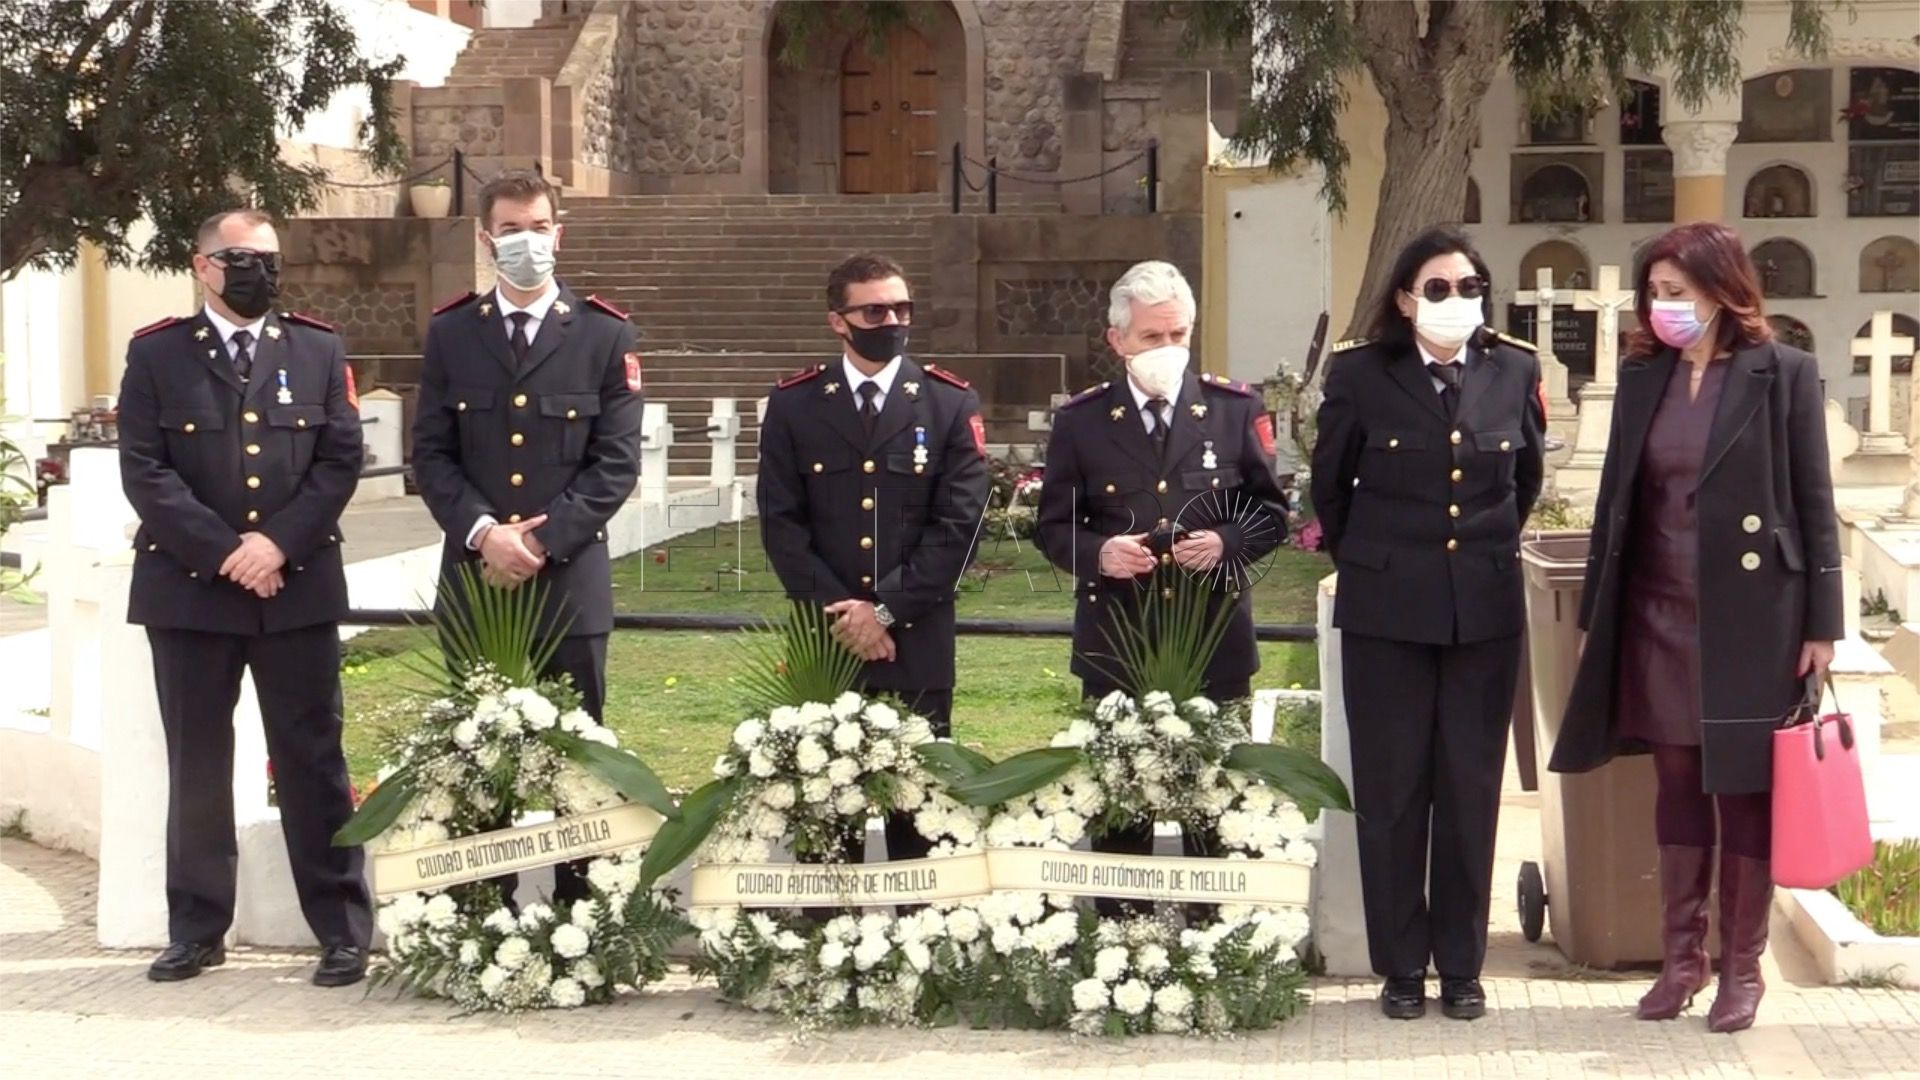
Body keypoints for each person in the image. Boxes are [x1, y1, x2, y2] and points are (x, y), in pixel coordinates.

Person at [1550, 222, 1841, 1034]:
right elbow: (1616, 504)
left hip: (1753, 616)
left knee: (1742, 791)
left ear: (1721, 289)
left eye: (1676, 291)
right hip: (1656, 611)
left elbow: (1814, 504)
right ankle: (1682, 962)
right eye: (1655, 292)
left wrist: (1823, 623)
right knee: (1677, 782)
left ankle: (1741, 971)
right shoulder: (1644, 375)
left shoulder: (1781, 373)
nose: (1662, 306)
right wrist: (1598, 616)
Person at [118, 208, 370, 985]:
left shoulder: (318, 348)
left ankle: (341, 929)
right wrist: (229, 552)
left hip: (295, 588)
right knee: (198, 763)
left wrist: (275, 545)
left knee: (313, 759)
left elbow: (339, 460)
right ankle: (197, 927)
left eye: (268, 256)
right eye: (239, 257)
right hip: (191, 593)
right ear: (202, 267)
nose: (258, 269)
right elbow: (145, 470)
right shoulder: (157, 354)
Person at [1310, 226, 1546, 1021]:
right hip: (1386, 612)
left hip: (1482, 610)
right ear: (1406, 299)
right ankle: (1401, 966)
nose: (1455, 301)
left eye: (1469, 287)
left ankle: (1463, 967)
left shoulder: (1514, 369)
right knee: (1393, 792)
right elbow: (1331, 491)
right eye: (1437, 288)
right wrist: (1379, 563)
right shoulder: (1361, 374)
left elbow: (1526, 478)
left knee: (1471, 791)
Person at [411, 169, 643, 902]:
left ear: (559, 233)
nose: (526, 242)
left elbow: (616, 463)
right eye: (511, 230)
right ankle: (484, 914)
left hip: (569, 585)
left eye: (538, 227)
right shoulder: (452, 334)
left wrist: (540, 543)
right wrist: (485, 534)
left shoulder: (606, 334)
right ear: (487, 240)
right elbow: (432, 455)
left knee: (578, 757)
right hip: (478, 584)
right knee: (481, 754)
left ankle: (581, 919)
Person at [1035, 260, 1290, 915]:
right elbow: (1052, 526)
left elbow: (1271, 513)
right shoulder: (1083, 422)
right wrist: (1099, 553)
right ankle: (1124, 948)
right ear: (1117, 340)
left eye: (1179, 335)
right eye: (1153, 338)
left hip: (1213, 640)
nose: (1168, 350)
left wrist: (1228, 542)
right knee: (1123, 807)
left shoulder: (1234, 410)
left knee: (1217, 807)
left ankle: (1215, 945)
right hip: (1119, 644)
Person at [757, 252, 990, 863]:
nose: (892, 319)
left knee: (920, 820)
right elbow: (781, 523)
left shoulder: (948, 404)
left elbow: (959, 525)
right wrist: (846, 615)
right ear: (840, 320)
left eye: (901, 307)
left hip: (916, 640)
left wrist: (883, 610)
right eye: (875, 309)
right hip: (827, 643)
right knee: (828, 826)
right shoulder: (794, 405)